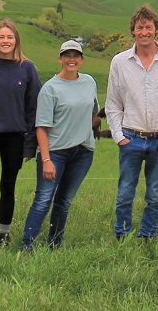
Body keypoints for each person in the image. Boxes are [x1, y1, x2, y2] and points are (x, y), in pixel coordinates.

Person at [106, 4, 158, 241]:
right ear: (133, 30)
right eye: (140, 28)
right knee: (125, 193)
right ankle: (122, 234)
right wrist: (118, 136)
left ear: (156, 30)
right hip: (131, 137)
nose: (144, 32)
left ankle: (148, 236)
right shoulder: (120, 62)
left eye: (149, 27)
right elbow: (113, 104)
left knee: (154, 194)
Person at [22, 39, 100, 250]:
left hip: (83, 152)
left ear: (82, 60)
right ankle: (27, 246)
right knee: (43, 199)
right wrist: (46, 159)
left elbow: (94, 111)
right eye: (67, 56)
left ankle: (55, 244)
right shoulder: (50, 88)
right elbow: (41, 127)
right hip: (55, 153)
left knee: (64, 201)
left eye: (76, 56)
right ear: (60, 59)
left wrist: (86, 130)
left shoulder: (89, 83)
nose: (71, 60)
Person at [0, 19, 42, 244]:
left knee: (8, 186)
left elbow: (33, 107)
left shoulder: (27, 68)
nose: (5, 41)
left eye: (9, 37)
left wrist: (31, 142)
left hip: (15, 136)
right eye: (1, 37)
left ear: (16, 40)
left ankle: (3, 233)